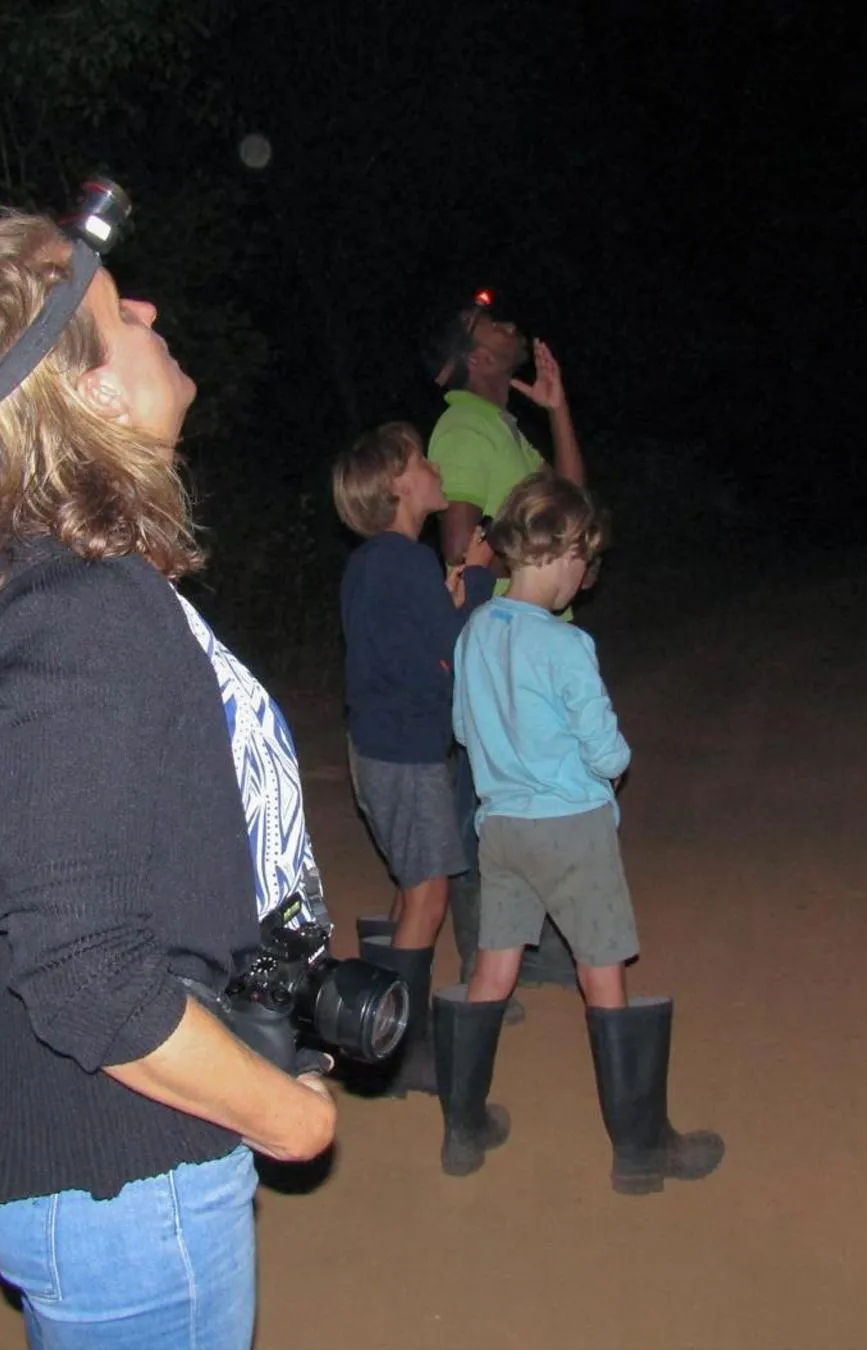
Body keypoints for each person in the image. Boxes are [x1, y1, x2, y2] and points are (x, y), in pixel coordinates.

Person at [0, 197, 338, 1349]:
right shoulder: (77, 608)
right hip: (121, 1166)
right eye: (114, 313)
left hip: (85, 1148)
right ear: (84, 393)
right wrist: (284, 1117)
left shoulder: (30, 578)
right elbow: (84, 974)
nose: (147, 308)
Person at [442, 471, 724, 1194]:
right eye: (582, 561)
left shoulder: (475, 629)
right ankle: (639, 1149)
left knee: (491, 968)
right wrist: (609, 761)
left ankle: (463, 1129)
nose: (583, 579)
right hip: (571, 828)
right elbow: (607, 754)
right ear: (563, 553)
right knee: (603, 974)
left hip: (499, 828)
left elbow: (462, 730)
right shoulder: (565, 646)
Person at [424, 294, 587, 994]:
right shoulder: (464, 431)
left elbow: (571, 506)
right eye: (489, 321)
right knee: (485, 805)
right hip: (506, 648)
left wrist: (556, 409)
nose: (509, 323)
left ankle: (535, 948)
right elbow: (458, 547)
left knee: (542, 796)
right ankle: (480, 960)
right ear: (477, 354)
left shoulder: (500, 427)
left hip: (538, 641)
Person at [333, 421, 496, 1096]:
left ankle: (379, 1043)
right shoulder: (402, 560)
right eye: (422, 461)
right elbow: (457, 656)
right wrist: (481, 578)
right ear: (399, 484)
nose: (434, 470)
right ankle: (401, 1052)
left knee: (410, 888)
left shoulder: (375, 562)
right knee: (427, 896)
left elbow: (418, 649)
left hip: (380, 743)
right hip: (404, 750)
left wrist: (449, 605)